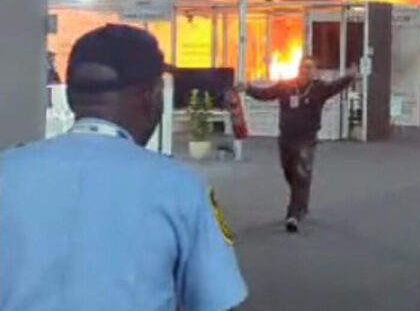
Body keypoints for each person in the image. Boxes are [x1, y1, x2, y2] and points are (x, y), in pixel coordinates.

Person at [0, 25, 247, 311]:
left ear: (69, 97)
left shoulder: (7, 171)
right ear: (152, 96)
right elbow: (218, 302)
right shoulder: (180, 187)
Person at [239, 57, 358, 233]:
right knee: (289, 171)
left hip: (307, 139)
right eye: (302, 67)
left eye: (309, 68)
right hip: (286, 137)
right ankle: (302, 202)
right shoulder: (286, 86)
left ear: (315, 71)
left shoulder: (319, 89)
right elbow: (265, 94)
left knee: (301, 172)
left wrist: (350, 76)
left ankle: (293, 214)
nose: (304, 70)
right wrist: (248, 88)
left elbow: (336, 86)